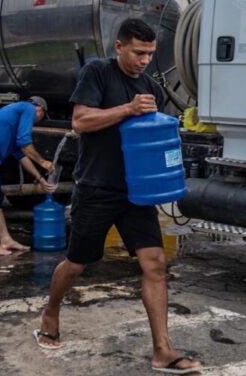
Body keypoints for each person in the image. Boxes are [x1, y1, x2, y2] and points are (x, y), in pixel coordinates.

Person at [33, 19, 202, 374]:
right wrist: (127, 109)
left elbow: (151, 137)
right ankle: (51, 310)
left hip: (136, 191)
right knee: (77, 262)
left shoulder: (148, 86)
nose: (144, 60)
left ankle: (162, 350)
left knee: (154, 263)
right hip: (97, 187)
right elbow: (80, 122)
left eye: (150, 54)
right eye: (139, 53)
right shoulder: (98, 73)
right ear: (119, 47)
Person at [0, 96, 56, 256]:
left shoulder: (14, 121)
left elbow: (22, 156)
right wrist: (43, 162)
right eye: (40, 117)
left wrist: (40, 179)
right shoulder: (28, 108)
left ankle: (5, 239)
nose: (36, 121)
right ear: (40, 108)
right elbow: (25, 142)